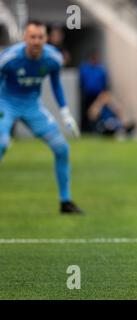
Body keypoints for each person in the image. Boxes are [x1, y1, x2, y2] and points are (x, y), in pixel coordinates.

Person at [0, 20, 83, 214]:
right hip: (6, 103)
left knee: (62, 148)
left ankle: (65, 202)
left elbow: (56, 84)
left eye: (40, 37)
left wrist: (65, 113)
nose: (36, 41)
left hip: (32, 106)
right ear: (24, 38)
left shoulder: (53, 58)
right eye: (33, 37)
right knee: (1, 144)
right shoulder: (9, 58)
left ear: (46, 38)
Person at [79, 50, 109, 133]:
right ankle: (85, 129)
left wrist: (103, 94)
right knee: (85, 112)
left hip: (97, 95)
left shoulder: (101, 69)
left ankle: (95, 129)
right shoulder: (84, 68)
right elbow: (81, 81)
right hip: (87, 94)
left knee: (96, 113)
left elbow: (105, 83)